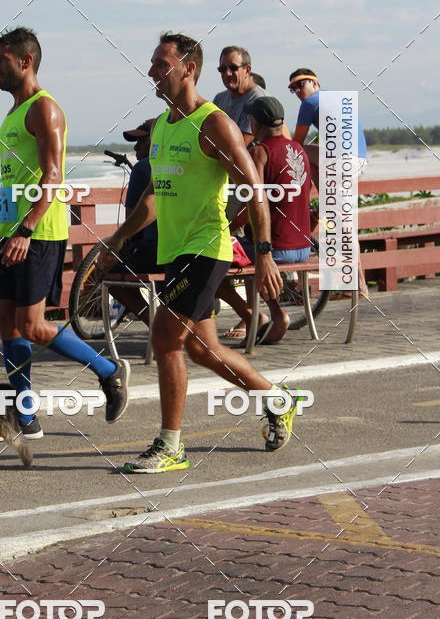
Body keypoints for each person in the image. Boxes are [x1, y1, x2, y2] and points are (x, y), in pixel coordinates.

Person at [99, 32, 301, 474]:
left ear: (188, 68)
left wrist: (264, 253)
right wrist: (116, 241)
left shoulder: (213, 124)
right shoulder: (163, 126)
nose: (152, 71)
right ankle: (277, 399)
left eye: (160, 64)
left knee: (165, 339)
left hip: (206, 249)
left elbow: (253, 188)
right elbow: (152, 198)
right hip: (176, 251)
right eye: (152, 63)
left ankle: (171, 445)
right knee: (202, 350)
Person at [0, 26, 129, 438]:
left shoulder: (44, 109)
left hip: (38, 232)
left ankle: (109, 371)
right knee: (6, 322)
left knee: (33, 326)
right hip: (10, 229)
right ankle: (26, 415)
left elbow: (53, 176)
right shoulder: (16, 111)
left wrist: (27, 228)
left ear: (25, 61)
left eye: (1, 60)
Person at [219, 97, 312, 344]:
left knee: (214, 261)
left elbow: (254, 202)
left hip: (275, 248)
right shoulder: (299, 150)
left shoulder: (260, 152)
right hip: (303, 247)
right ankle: (264, 314)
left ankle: (265, 314)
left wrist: (228, 226)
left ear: (255, 123)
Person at [289, 68, 368, 295]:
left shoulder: (310, 103)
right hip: (358, 161)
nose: (297, 91)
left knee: (344, 226)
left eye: (300, 85)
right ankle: (352, 285)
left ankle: (359, 285)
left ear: (315, 82)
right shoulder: (337, 97)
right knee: (341, 223)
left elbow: (296, 143)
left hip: (342, 162)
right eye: (293, 88)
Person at [107, 118, 159, 326]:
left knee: (110, 275)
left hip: (155, 253)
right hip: (185, 249)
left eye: (141, 142)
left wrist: (120, 237)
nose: (136, 148)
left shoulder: (142, 168)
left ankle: (153, 321)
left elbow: (131, 220)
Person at [213, 46, 265, 145]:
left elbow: (240, 144)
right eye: (222, 69)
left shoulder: (259, 101)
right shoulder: (219, 99)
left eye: (233, 68)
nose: (227, 73)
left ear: (247, 70)